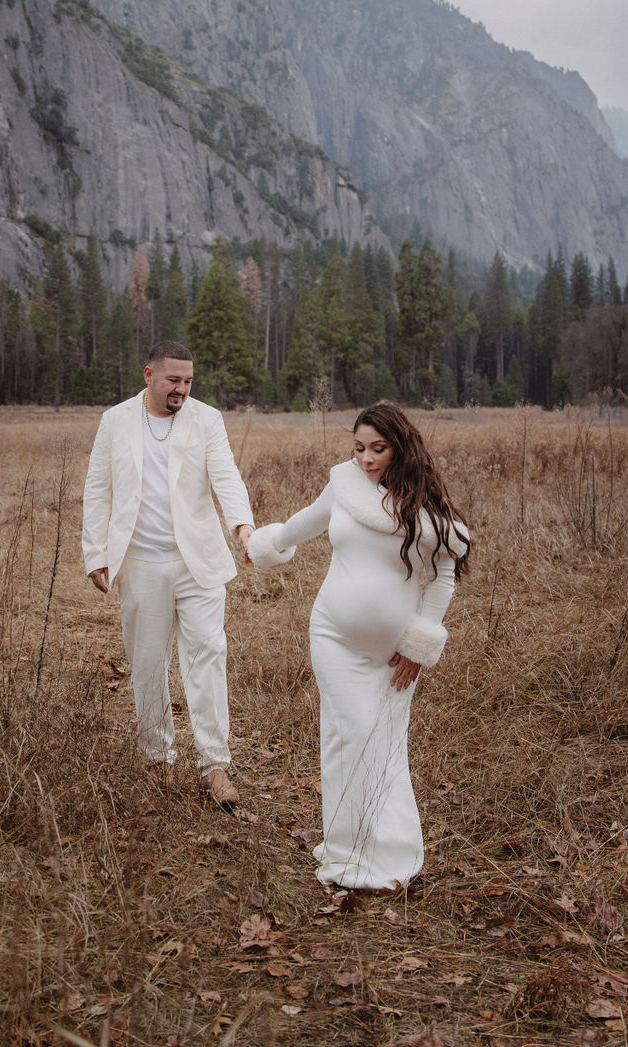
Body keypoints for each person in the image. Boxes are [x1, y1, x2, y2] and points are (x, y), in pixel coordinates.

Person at [248, 401, 470, 889]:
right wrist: (262, 544)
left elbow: (445, 574)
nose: (366, 459)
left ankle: (392, 853)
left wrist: (419, 643)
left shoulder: (426, 509)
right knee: (347, 736)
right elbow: (303, 523)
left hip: (395, 653)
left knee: (385, 742)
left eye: (378, 449)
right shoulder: (345, 485)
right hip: (333, 635)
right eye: (359, 448)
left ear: (401, 448)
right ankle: (348, 853)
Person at [82, 340, 255, 807]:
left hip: (197, 563)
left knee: (207, 657)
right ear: (148, 376)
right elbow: (97, 489)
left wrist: (242, 526)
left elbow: (226, 475)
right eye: (173, 380)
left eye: (188, 381)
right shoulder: (115, 421)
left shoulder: (206, 419)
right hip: (140, 563)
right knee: (148, 661)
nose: (182, 389)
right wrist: (95, 552)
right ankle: (159, 757)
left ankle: (215, 766)